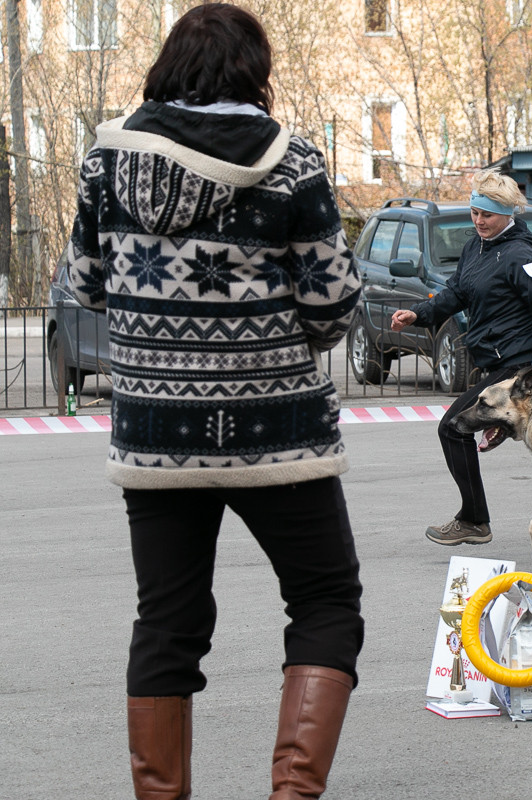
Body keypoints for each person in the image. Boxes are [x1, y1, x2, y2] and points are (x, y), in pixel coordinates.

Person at [65, 5, 365, 797]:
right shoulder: (293, 163)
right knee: (325, 600)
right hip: (281, 433)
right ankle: (293, 793)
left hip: (157, 434)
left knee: (167, 621)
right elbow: (332, 301)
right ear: (251, 72)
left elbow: (82, 285)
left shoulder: (106, 163)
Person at [391, 169, 532, 545]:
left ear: (508, 215)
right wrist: (419, 313)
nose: (479, 221)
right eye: (475, 212)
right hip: (498, 361)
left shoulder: (520, 254)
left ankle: (473, 520)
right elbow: (456, 292)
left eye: (487, 215)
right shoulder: (476, 247)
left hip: (519, 366)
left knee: (454, 427)